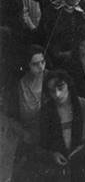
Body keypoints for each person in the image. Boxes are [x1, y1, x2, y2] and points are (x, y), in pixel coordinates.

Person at [38, 69, 85, 181]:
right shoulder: (46, 111)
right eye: (52, 91)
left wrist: (84, 148)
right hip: (58, 169)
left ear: (68, 85)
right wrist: (52, 154)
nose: (57, 94)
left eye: (60, 88)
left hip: (84, 163)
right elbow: (41, 143)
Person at [9, 45, 47, 182]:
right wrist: (24, 134)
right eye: (35, 64)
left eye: (43, 62)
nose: (41, 67)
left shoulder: (52, 79)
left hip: (49, 138)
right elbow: (12, 117)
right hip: (28, 137)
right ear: (27, 65)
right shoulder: (20, 85)